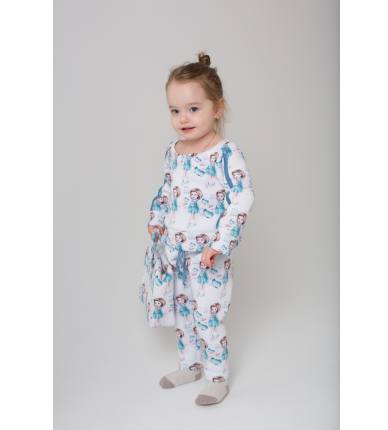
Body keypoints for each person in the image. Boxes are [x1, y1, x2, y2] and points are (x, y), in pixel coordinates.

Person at [145, 51, 255, 406]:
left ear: (217, 108)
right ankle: (190, 365)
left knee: (208, 314)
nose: (183, 118)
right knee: (184, 311)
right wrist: (157, 220)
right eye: (175, 110)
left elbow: (241, 198)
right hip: (176, 251)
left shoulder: (225, 153)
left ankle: (217, 377)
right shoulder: (173, 151)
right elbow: (167, 191)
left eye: (193, 108)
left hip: (208, 254)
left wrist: (220, 244)